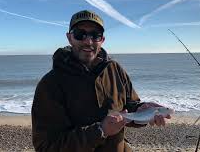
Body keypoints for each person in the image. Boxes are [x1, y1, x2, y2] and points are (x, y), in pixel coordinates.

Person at [31, 10, 171, 152]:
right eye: (80, 34)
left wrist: (142, 112)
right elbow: (45, 146)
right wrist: (100, 131)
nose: (88, 41)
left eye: (95, 35)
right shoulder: (50, 84)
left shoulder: (115, 69)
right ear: (69, 38)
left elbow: (129, 107)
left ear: (102, 40)